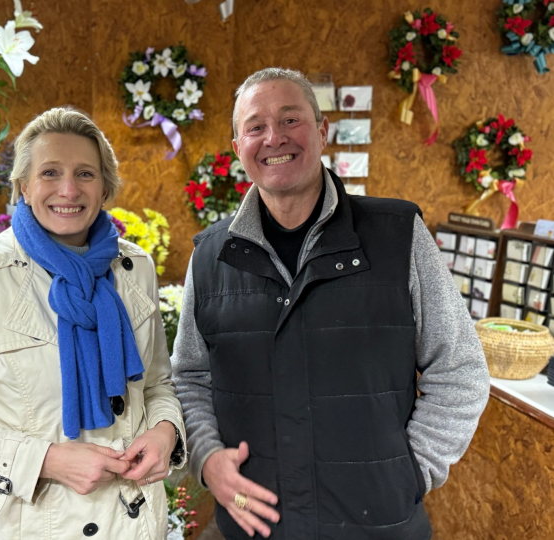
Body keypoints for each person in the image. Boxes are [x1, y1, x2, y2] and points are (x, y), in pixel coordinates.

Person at [171, 68, 490, 540]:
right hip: (255, 526)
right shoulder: (211, 255)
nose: (274, 137)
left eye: (290, 119)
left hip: (379, 527)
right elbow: (189, 376)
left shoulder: (397, 235)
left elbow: (460, 368)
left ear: (322, 132)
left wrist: (409, 470)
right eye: (255, 126)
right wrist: (205, 457)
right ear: (237, 146)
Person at [0, 107, 186, 539]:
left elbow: (156, 385)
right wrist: (46, 459)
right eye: (50, 173)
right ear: (23, 186)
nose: (68, 190)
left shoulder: (136, 268)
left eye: (85, 174)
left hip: (132, 522)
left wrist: (165, 432)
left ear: (105, 186)